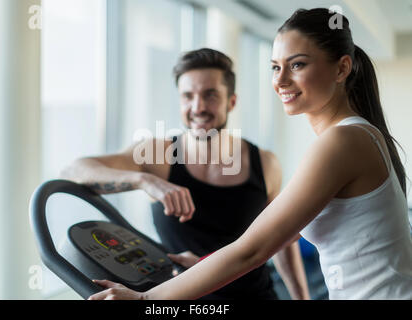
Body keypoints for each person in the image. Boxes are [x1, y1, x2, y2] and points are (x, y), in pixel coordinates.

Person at [87, 8, 412, 300]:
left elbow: (253, 249)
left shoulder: (342, 141)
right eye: (275, 67)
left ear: (342, 69)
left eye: (297, 64)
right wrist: (201, 261)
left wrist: (145, 300)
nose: (280, 80)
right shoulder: (354, 135)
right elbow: (277, 235)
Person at [61, 48, 310, 299]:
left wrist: (302, 297)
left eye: (210, 95)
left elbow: (281, 240)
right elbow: (73, 171)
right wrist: (144, 181)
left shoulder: (265, 164)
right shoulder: (157, 155)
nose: (198, 107)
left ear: (231, 101)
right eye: (188, 96)